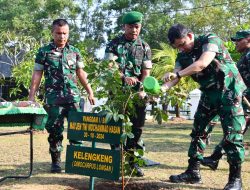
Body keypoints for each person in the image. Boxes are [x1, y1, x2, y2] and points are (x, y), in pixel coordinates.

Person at [161, 24, 246, 190]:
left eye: (183, 43)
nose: (181, 48)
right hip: (209, 94)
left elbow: (202, 63)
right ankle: (193, 172)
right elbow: (175, 76)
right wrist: (161, 88)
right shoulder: (183, 55)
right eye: (177, 46)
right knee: (198, 131)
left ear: (191, 35)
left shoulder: (210, 39)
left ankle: (235, 180)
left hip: (229, 91)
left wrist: (177, 74)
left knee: (232, 135)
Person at [28, 19, 95, 173]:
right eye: (58, 33)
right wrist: (31, 96)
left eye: (65, 33)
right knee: (55, 132)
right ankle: (56, 162)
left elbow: (81, 73)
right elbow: (37, 74)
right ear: (52, 33)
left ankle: (76, 163)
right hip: (54, 100)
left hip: (73, 99)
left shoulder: (75, 51)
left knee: (77, 131)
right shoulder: (44, 52)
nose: (62, 36)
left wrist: (90, 91)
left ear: (68, 33)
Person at [104, 11, 152, 177]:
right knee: (115, 129)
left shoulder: (145, 46)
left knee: (136, 130)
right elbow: (111, 67)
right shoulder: (113, 44)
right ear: (124, 26)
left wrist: (142, 89)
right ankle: (116, 164)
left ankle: (133, 163)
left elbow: (146, 72)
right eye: (131, 27)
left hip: (137, 96)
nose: (134, 30)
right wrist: (124, 78)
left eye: (137, 27)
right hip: (117, 95)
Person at [201, 30, 250, 172]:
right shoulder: (245, 56)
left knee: (234, 133)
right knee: (234, 132)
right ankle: (214, 158)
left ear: (248, 39)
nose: (236, 43)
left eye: (238, 40)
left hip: (246, 102)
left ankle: (215, 158)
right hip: (242, 100)